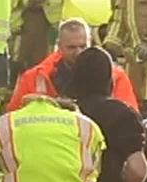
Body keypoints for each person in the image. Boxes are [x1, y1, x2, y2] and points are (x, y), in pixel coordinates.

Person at [10, 17, 139, 111]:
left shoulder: (116, 76)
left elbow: (130, 117)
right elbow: (13, 117)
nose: (78, 52)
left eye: (83, 46)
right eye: (71, 47)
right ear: (59, 46)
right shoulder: (34, 78)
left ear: (90, 43)